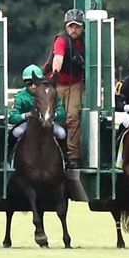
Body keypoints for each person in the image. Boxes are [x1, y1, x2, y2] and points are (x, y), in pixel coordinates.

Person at [7, 64, 68, 160]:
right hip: (28, 124)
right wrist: (27, 115)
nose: (33, 86)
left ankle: (64, 160)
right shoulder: (20, 96)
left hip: (47, 122)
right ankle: (9, 159)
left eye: (35, 83)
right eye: (29, 83)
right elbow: (11, 117)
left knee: (62, 133)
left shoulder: (49, 93)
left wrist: (52, 115)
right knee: (16, 132)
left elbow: (62, 112)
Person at [49, 9, 85, 169]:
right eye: (71, 27)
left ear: (83, 27)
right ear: (66, 27)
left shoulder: (87, 40)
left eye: (77, 27)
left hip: (75, 84)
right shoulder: (61, 40)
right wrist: (54, 77)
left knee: (73, 117)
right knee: (50, 116)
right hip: (57, 83)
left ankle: (73, 155)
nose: (74, 30)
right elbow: (58, 58)